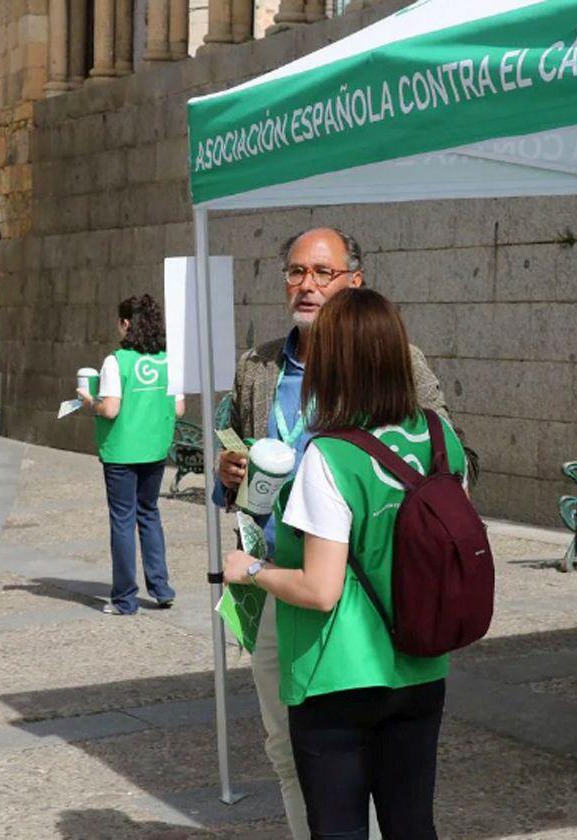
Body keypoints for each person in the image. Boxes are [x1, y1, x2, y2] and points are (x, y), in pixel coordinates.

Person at [213, 227, 459, 840]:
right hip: (280, 576)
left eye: (323, 272)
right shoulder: (257, 368)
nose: (308, 285)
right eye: (296, 272)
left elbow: (446, 461)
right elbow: (234, 465)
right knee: (286, 746)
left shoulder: (396, 359)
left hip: (369, 582)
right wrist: (230, 474)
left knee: (370, 768)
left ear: (355, 280)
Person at [77, 295, 183, 616]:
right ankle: (161, 588)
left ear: (125, 323)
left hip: (122, 451)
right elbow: (178, 408)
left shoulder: (116, 360)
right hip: (154, 448)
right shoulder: (169, 359)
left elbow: (110, 409)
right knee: (149, 514)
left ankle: (125, 599)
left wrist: (88, 402)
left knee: (123, 521)